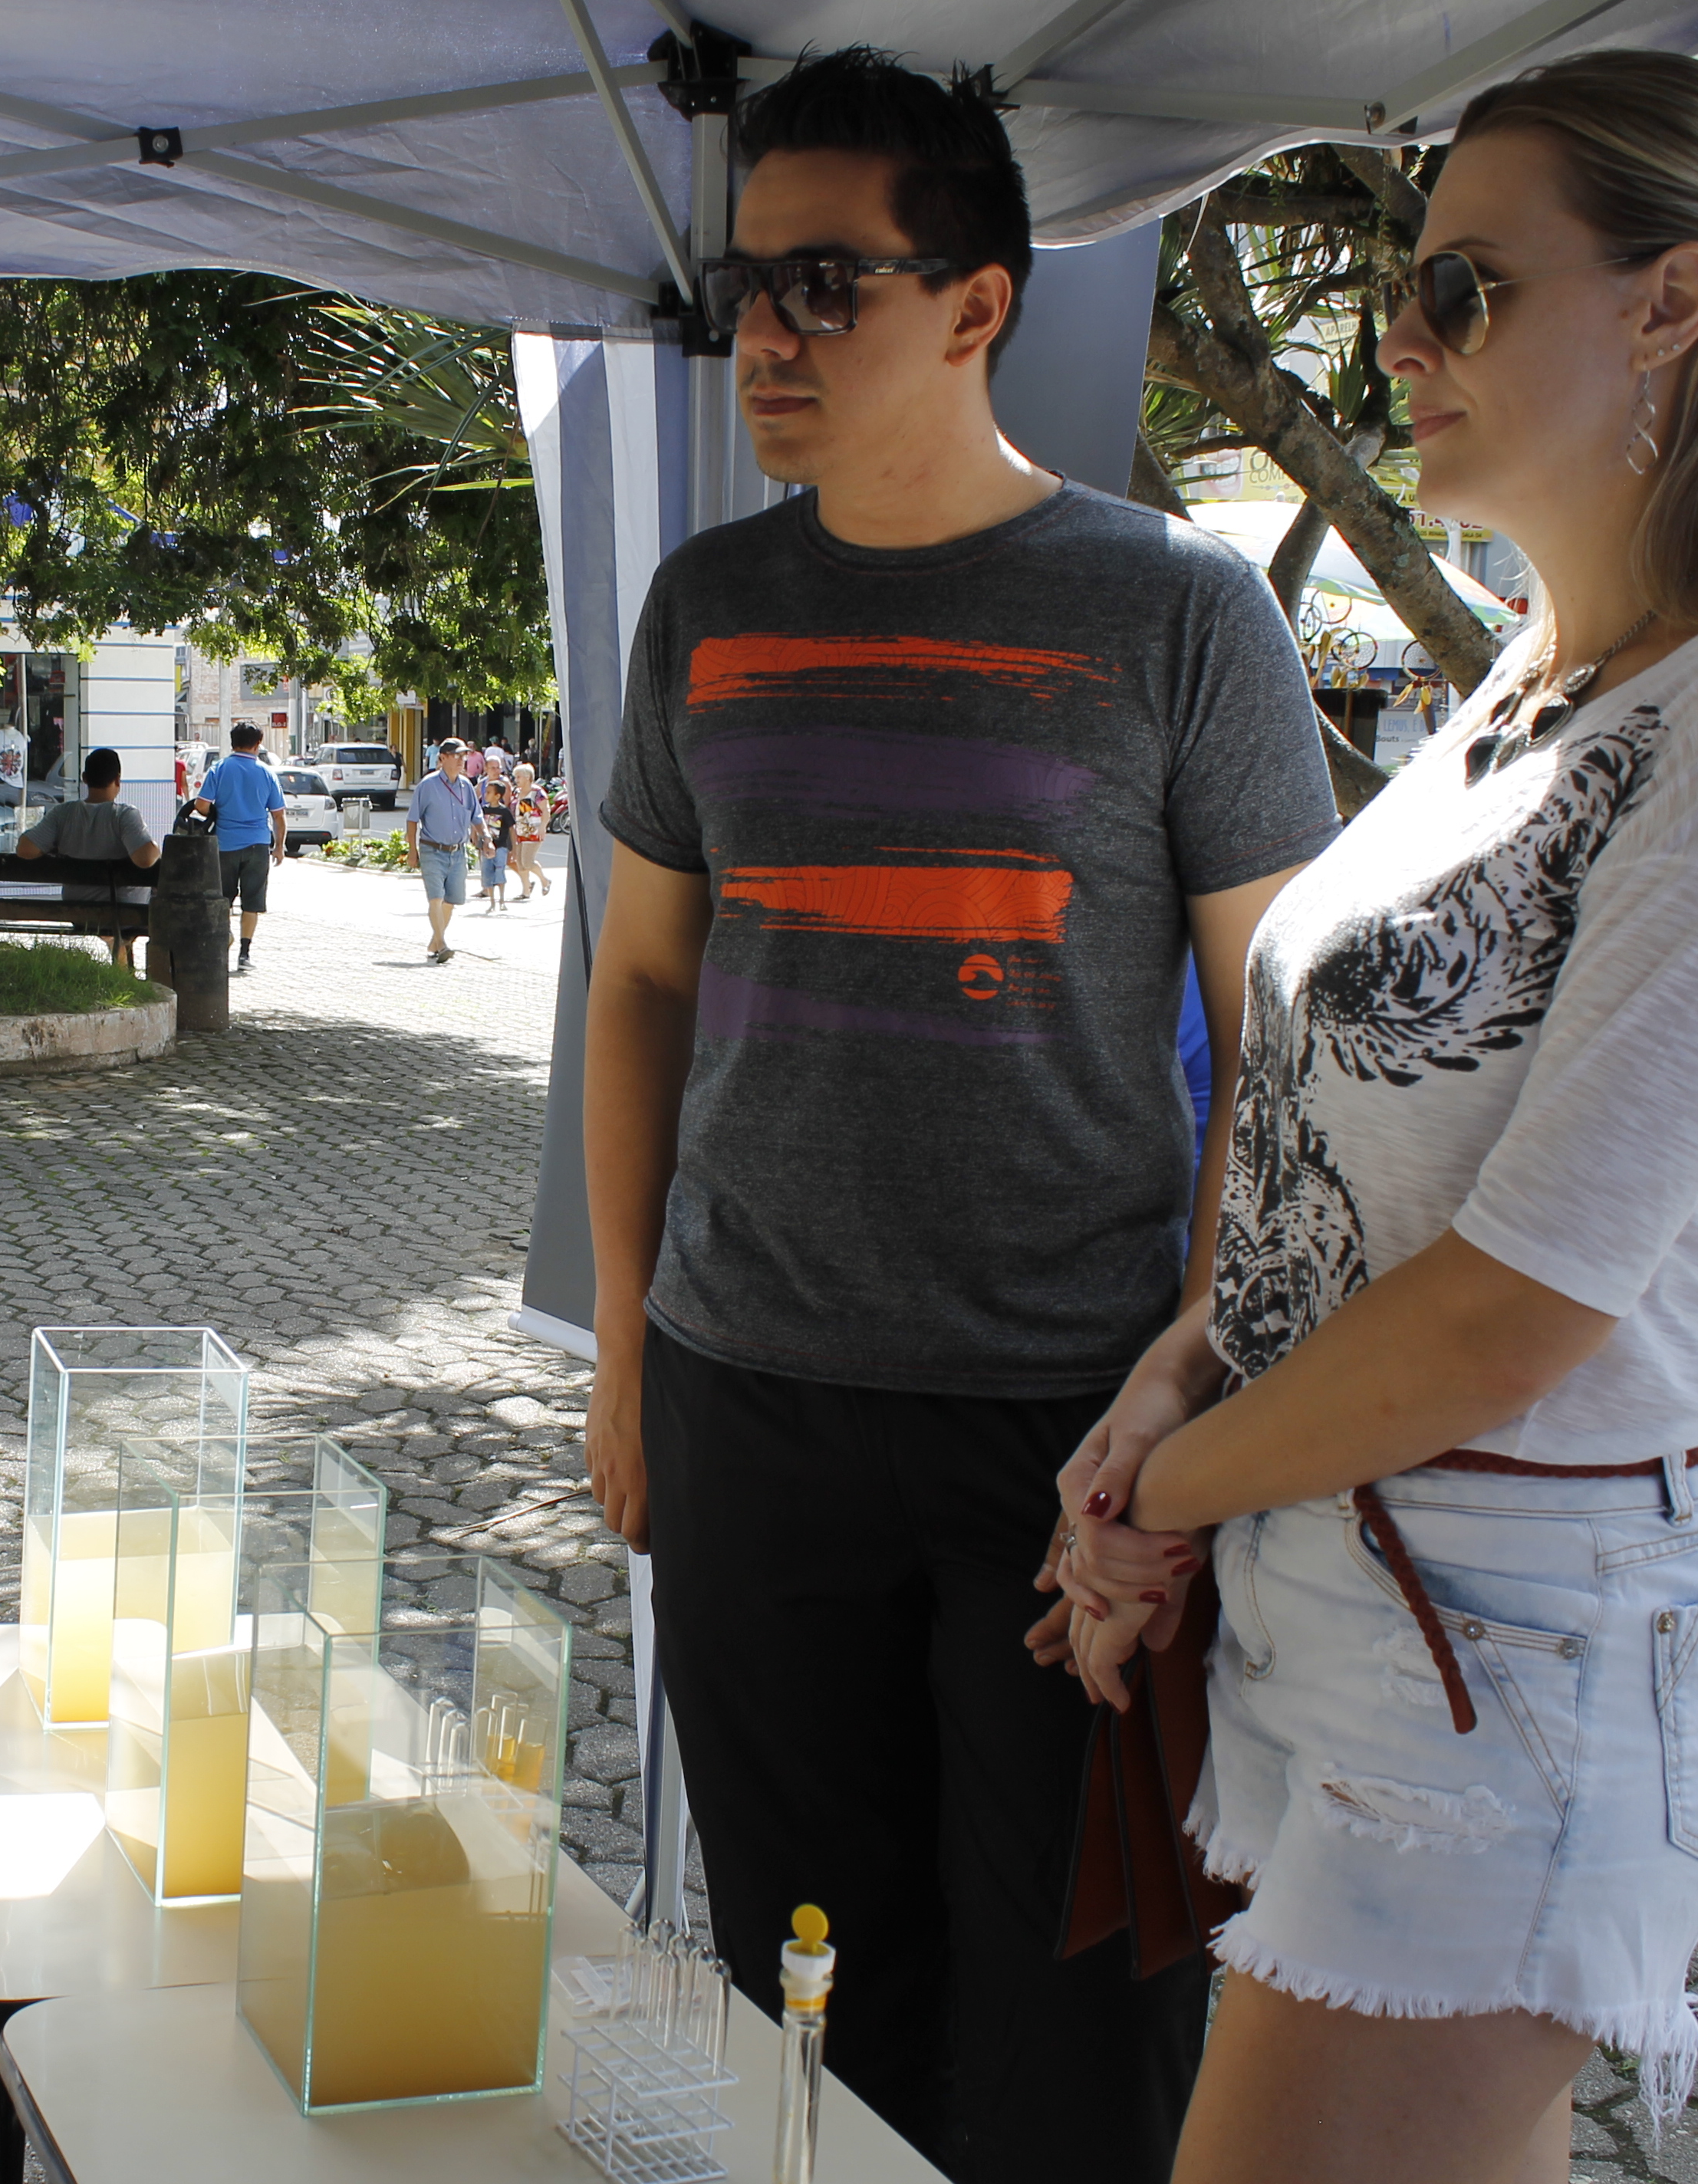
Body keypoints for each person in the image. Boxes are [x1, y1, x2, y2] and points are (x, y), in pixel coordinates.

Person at [1051, 51, 1698, 2184]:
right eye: (1402, 277)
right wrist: (1172, 1383)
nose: (1396, 336)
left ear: (1671, 304)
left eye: (1464, 284)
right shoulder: (1548, 678)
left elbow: (1517, 1307)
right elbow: (1318, 1121)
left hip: (1510, 1641)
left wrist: (1157, 1490)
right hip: (1375, 1588)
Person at [579, 48, 1339, 2183]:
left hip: (1062, 1439)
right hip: (749, 1402)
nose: (769, 335)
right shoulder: (711, 604)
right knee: (803, 1996)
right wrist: (630, 1344)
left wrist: (1187, 1410)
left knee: (1075, 2027)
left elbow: (1280, 1066)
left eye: (829, 282)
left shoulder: (1181, 614)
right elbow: (639, 983)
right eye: (751, 283)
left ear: (980, 301)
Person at [17, 745, 161, 967]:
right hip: (124, 913)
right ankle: (126, 967)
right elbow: (145, 859)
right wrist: (156, 848)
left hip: (77, 910)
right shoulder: (123, 815)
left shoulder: (63, 814)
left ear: (84, 779)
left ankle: (120, 959)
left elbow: (25, 849)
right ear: (118, 779)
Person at [191, 721, 287, 972]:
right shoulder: (267, 773)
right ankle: (245, 954)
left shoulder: (219, 768)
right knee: (252, 902)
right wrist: (279, 847)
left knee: (223, 899)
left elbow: (201, 806)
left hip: (225, 846)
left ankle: (223, 941)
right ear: (258, 743)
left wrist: (218, 810)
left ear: (233, 742)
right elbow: (279, 816)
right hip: (257, 845)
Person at [405, 738, 489, 964]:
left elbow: (477, 816)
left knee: (451, 901)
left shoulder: (466, 786)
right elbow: (412, 820)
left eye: (464, 756)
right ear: (442, 758)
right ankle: (442, 944)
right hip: (432, 849)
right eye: (457, 756)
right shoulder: (428, 785)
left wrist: (486, 838)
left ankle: (435, 939)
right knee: (436, 898)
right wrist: (413, 851)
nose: (463, 760)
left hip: (458, 852)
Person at [508, 761, 551, 900]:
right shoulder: (518, 792)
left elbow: (546, 810)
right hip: (520, 831)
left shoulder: (537, 792)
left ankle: (544, 880)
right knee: (520, 863)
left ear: (528, 777)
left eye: (519, 777)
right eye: (516, 777)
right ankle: (526, 891)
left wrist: (543, 827)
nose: (517, 780)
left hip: (533, 831)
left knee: (527, 862)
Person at [478, 755, 516, 909]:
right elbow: (478, 824)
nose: (485, 795)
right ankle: (492, 901)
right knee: (487, 872)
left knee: (500, 871)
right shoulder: (483, 809)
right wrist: (475, 838)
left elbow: (512, 829)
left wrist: (513, 848)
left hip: (501, 846)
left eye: (488, 793)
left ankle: (501, 900)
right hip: (486, 846)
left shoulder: (504, 811)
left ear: (498, 796)